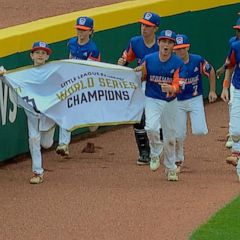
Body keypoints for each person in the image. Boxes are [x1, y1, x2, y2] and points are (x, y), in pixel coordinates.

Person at [136, 30, 186, 181]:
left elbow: (180, 83)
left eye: (170, 42)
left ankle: (171, 168)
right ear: (158, 43)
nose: (166, 45)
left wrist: (172, 88)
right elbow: (142, 75)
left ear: (173, 46)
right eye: (163, 41)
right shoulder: (149, 59)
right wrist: (138, 73)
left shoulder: (178, 63)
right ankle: (155, 152)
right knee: (150, 127)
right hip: (152, 98)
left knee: (170, 137)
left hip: (170, 101)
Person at [117, 12, 162, 165]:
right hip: (139, 84)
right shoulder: (135, 42)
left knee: (158, 120)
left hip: (158, 84)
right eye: (143, 25)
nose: (144, 29)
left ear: (155, 28)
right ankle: (144, 152)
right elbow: (127, 59)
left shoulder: (161, 44)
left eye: (148, 26)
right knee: (138, 117)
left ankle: (160, 146)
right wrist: (122, 62)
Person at [56, 16, 101, 157]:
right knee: (66, 110)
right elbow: (70, 59)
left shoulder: (93, 49)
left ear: (91, 32)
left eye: (83, 30)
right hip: (73, 84)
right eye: (79, 29)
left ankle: (95, 117)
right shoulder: (72, 43)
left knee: (92, 127)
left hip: (88, 86)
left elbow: (88, 72)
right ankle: (63, 144)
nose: (80, 33)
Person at [173, 34, 217, 172]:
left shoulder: (197, 60)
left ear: (188, 47)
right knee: (179, 134)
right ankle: (178, 160)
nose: (180, 51)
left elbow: (210, 71)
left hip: (195, 98)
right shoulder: (171, 63)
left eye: (183, 48)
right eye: (178, 49)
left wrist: (212, 91)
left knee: (200, 131)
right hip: (177, 101)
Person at [22, 42, 55, 184]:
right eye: (37, 52)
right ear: (31, 56)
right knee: (34, 139)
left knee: (46, 144)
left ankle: (53, 128)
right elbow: (13, 81)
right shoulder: (25, 74)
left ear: (47, 56)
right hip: (32, 114)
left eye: (43, 53)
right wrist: (3, 74)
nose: (40, 55)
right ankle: (37, 172)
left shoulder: (52, 72)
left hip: (48, 116)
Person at [217, 17, 240, 148]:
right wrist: (225, 86)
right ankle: (233, 133)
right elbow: (230, 64)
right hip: (236, 81)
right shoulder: (235, 44)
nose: (239, 34)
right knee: (232, 104)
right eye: (237, 30)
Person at [221, 39, 240, 182]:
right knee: (235, 132)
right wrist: (225, 87)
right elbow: (230, 66)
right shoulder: (236, 47)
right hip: (238, 89)